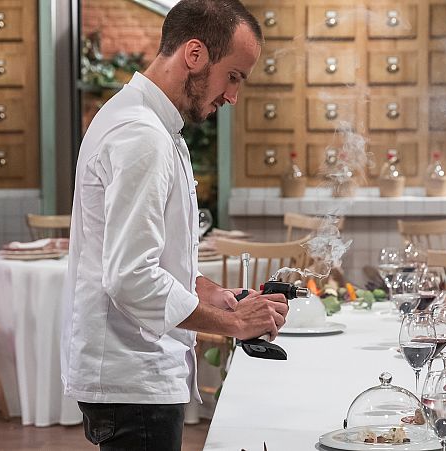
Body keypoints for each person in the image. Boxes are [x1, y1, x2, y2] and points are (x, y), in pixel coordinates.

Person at [61, 2, 289, 450]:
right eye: (234, 76)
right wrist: (232, 321)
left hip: (135, 375)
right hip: (134, 377)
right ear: (195, 54)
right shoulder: (142, 135)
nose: (233, 96)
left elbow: (152, 257)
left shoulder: (148, 125)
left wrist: (207, 291)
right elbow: (131, 279)